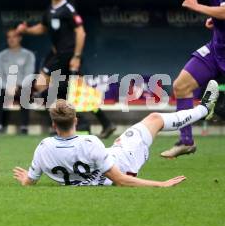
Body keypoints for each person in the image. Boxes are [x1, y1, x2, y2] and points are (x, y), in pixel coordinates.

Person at [13, 80, 218, 187]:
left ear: (53, 124)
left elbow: (30, 181)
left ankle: (201, 112)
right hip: (124, 161)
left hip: (111, 158)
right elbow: (120, 180)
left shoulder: (43, 148)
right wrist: (161, 184)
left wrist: (25, 180)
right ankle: (203, 110)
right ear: (75, 120)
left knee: (143, 127)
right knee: (155, 119)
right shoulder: (90, 142)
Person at [16, 0, 116, 138]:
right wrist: (26, 30)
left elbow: (81, 33)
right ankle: (99, 122)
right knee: (70, 91)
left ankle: (68, 122)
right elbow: (42, 28)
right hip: (57, 55)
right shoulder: (50, 9)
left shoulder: (68, 9)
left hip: (68, 56)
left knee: (60, 89)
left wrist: (76, 56)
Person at [161, 0, 225, 158]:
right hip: (216, 48)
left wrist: (198, 7)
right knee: (181, 86)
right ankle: (186, 141)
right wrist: (214, 21)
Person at [0, 29, 36, 134]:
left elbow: (29, 74)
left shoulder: (28, 55)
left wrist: (17, 86)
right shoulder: (1, 55)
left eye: (14, 36)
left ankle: (24, 127)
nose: (11, 39)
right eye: (9, 37)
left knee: (25, 92)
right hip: (5, 86)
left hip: (22, 86)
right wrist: (8, 86)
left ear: (20, 38)